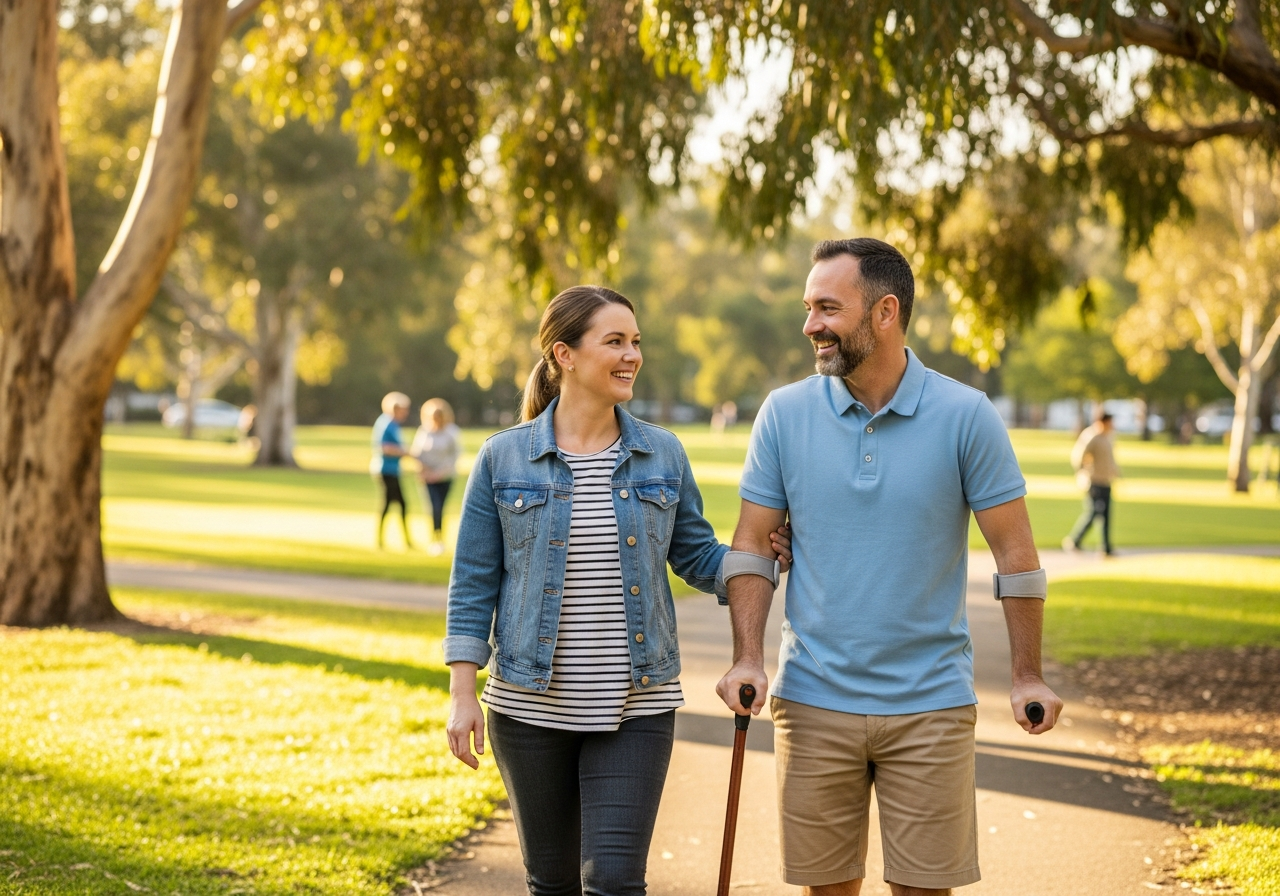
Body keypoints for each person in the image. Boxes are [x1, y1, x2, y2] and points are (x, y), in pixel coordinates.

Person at [717, 238, 1063, 896]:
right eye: (807, 307)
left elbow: (1016, 555)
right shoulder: (784, 415)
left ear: (885, 312)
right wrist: (746, 658)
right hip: (814, 698)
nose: (809, 325)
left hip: (930, 703)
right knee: (828, 890)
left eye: (827, 307)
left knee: (925, 890)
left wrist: (1027, 676)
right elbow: (752, 546)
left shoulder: (967, 415)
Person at [443, 285, 791, 896]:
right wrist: (462, 694)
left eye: (635, 342)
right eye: (615, 342)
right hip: (529, 708)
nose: (632, 355)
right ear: (565, 354)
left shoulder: (661, 452)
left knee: (615, 881)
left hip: (636, 704)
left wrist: (758, 555)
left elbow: (695, 554)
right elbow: (472, 583)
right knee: (550, 883)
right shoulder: (503, 459)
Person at [1064, 408, 1120, 556]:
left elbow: (1110, 458)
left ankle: (1106, 547)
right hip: (1094, 481)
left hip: (1106, 481)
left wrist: (1116, 472)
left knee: (1106, 515)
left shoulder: (1108, 437)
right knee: (1094, 512)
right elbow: (1079, 456)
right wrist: (1083, 473)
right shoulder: (1091, 436)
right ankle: (1075, 540)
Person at [411, 398, 462, 556]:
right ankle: (434, 538)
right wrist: (423, 471)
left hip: (444, 476)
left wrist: (440, 473)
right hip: (427, 477)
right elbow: (417, 454)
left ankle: (439, 538)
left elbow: (454, 456)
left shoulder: (451, 431)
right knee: (432, 507)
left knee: (440, 506)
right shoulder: (424, 431)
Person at [371, 391, 413, 549]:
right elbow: (383, 447)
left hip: (393, 470)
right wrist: (404, 452)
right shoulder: (386, 423)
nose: (406, 413)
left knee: (399, 504)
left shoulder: (392, 424)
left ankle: (403, 540)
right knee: (391, 504)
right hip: (386, 470)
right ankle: (383, 540)